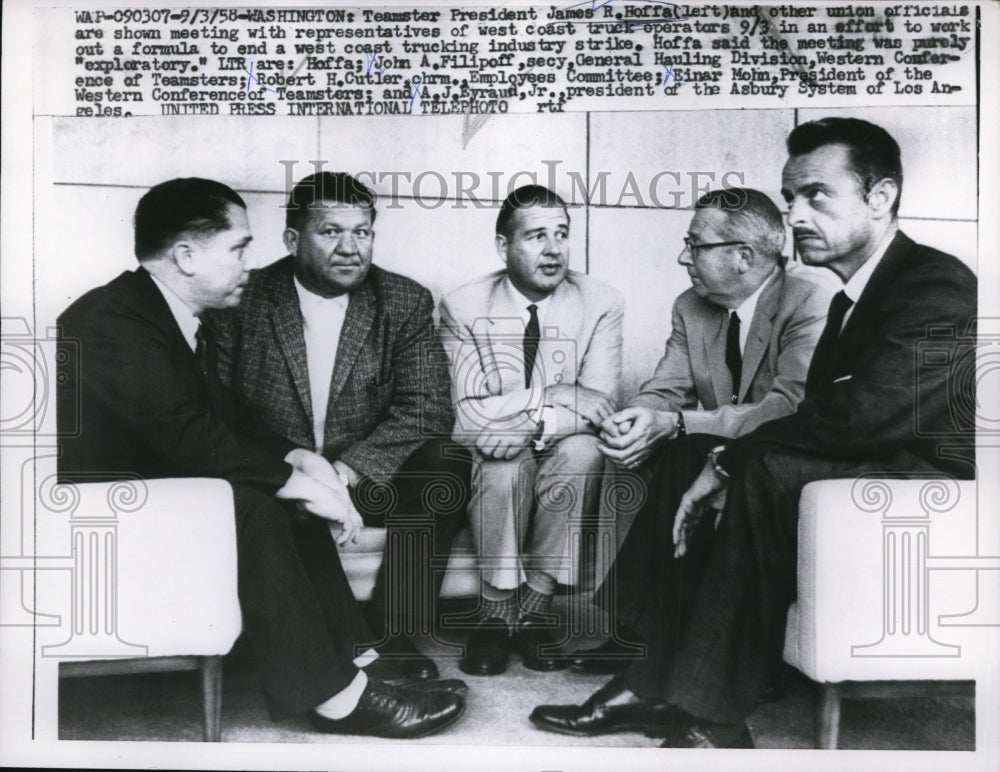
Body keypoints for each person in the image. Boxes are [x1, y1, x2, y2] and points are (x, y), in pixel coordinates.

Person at [529, 117, 977, 748]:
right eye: (791, 198)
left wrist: (731, 461)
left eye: (816, 195)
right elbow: (822, 415)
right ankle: (652, 680)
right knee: (700, 455)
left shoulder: (935, 282)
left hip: (927, 487)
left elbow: (861, 416)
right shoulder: (859, 294)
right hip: (870, 466)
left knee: (755, 467)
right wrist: (711, 453)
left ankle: (710, 715)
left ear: (880, 198)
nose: (793, 216)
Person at [57, 178, 465, 739]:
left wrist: (301, 460)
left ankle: (358, 661)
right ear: (186, 255)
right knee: (260, 501)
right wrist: (302, 484)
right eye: (239, 247)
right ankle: (335, 699)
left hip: (158, 498)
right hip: (108, 519)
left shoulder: (156, 313)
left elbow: (228, 420)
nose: (251, 262)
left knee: (277, 489)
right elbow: (187, 437)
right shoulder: (112, 322)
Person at [212, 172, 469, 682]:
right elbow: (218, 408)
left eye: (363, 232)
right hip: (278, 477)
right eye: (331, 232)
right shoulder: (245, 298)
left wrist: (346, 474)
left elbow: (427, 408)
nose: (351, 248)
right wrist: (296, 473)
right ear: (292, 240)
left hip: (365, 481)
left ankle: (392, 633)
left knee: (445, 464)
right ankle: (311, 640)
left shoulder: (403, 300)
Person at [569, 187, 831, 678]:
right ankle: (641, 632)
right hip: (718, 451)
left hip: (787, 460)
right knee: (656, 448)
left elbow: (789, 408)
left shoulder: (811, 298)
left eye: (695, 245)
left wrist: (678, 423)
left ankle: (648, 640)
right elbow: (666, 389)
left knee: (686, 446)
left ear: (743, 256)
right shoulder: (691, 305)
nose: (682, 257)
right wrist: (641, 419)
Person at [439, 185, 624, 676]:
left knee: (585, 452)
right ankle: (496, 613)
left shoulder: (601, 301)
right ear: (504, 247)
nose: (554, 249)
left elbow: (600, 405)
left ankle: (536, 609)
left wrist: (531, 422)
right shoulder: (462, 305)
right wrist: (554, 396)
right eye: (537, 236)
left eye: (561, 234)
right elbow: (464, 414)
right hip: (490, 451)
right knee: (503, 465)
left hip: (562, 443)